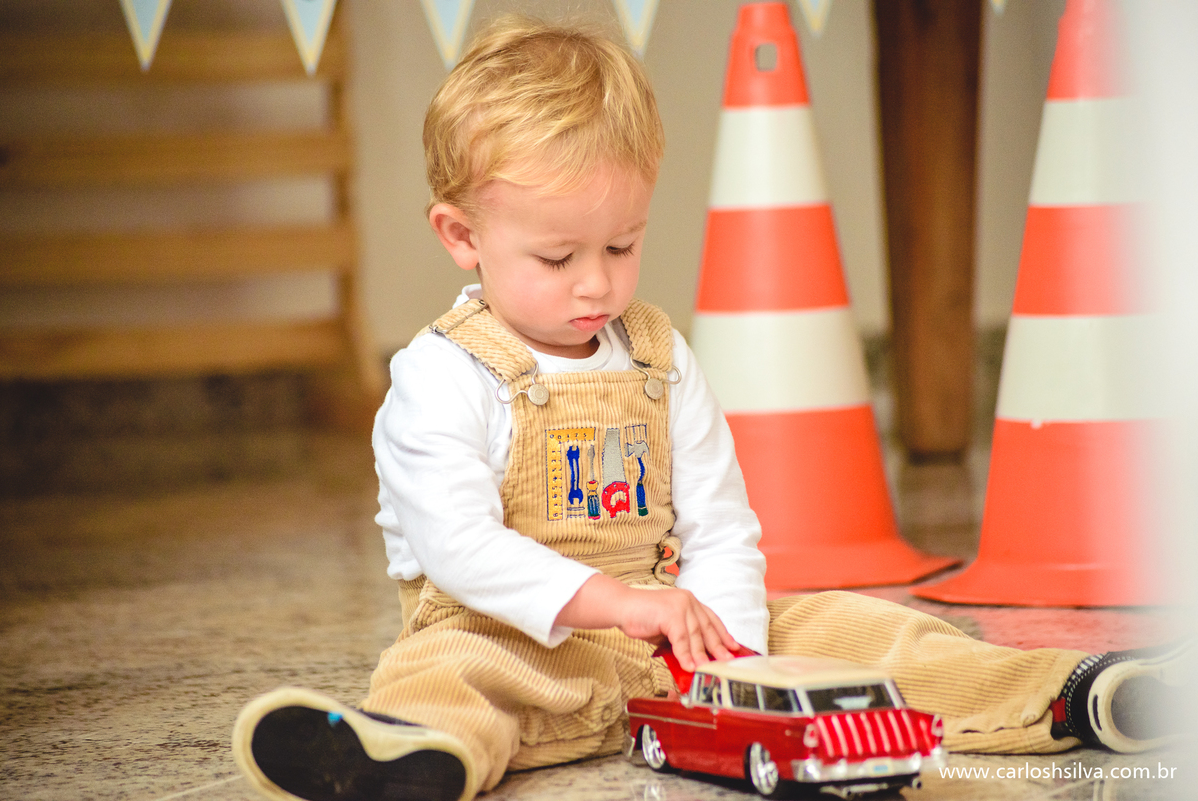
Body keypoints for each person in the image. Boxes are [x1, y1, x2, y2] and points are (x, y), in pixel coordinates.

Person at [231, 17, 1184, 801]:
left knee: (861, 626)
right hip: (520, 638)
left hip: (676, 637)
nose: (596, 284)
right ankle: (410, 758)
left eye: (623, 244)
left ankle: (1063, 696)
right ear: (461, 236)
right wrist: (623, 605)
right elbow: (458, 548)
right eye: (558, 258)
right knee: (448, 670)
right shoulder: (441, 374)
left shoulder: (658, 356)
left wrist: (737, 655)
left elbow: (721, 521)